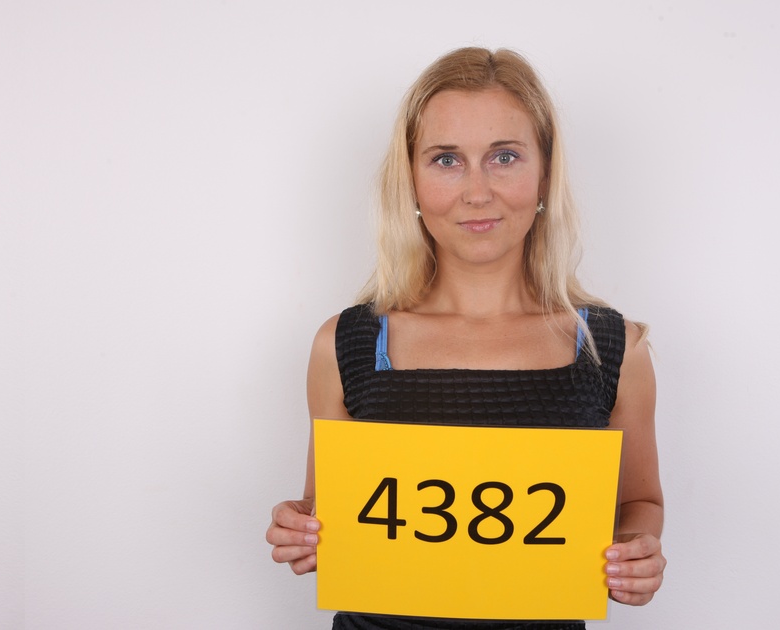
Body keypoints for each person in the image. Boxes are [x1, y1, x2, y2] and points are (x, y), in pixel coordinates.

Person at [266, 47, 665, 629]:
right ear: (411, 180)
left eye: (504, 157)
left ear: (545, 173)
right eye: (446, 159)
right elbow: (325, 506)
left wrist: (636, 551)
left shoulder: (610, 348)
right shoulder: (347, 344)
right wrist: (301, 526)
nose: (478, 192)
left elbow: (639, 502)